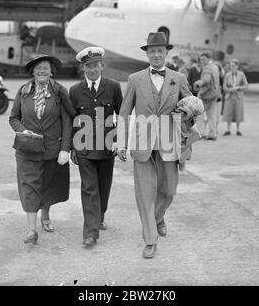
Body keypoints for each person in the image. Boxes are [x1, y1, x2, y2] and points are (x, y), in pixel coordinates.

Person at [116, 32, 202, 259]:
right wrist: (121, 143)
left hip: (170, 142)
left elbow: (191, 105)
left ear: (166, 53)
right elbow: (124, 113)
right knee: (145, 193)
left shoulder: (179, 77)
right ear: (147, 53)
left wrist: (191, 114)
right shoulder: (135, 79)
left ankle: (158, 217)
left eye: (160, 51)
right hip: (142, 143)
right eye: (152, 51)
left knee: (169, 190)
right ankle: (150, 238)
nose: (156, 54)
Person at [9, 54, 75, 244]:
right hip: (27, 148)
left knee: (47, 185)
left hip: (52, 149)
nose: (42, 71)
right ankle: (31, 230)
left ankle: (45, 217)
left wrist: (65, 149)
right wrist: (23, 130)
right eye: (38, 68)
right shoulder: (23, 91)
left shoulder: (60, 92)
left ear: (51, 71)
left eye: (46, 68)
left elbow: (67, 122)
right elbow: (13, 117)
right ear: (33, 71)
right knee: (29, 186)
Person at [69, 47, 123, 248]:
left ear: (102, 65)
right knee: (89, 188)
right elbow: (71, 119)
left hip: (107, 148)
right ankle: (90, 232)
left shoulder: (113, 87)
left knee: (103, 186)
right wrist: (71, 147)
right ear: (82, 68)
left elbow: (122, 116)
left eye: (95, 65)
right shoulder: (74, 91)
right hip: (83, 149)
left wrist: (120, 142)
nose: (92, 69)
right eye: (87, 66)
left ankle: (100, 215)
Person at [193, 52, 221, 141]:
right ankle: (213, 134)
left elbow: (206, 80)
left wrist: (198, 83)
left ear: (208, 59)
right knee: (212, 115)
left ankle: (202, 133)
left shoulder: (207, 67)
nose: (201, 61)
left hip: (206, 94)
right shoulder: (215, 67)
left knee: (198, 113)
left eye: (203, 59)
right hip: (215, 94)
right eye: (201, 59)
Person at [222, 59, 248, 136]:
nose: (231, 67)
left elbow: (246, 85)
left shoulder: (241, 74)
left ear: (237, 66)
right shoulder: (227, 75)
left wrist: (239, 88)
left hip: (238, 96)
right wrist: (230, 90)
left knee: (238, 112)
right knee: (228, 112)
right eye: (230, 66)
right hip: (229, 96)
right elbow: (224, 87)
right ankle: (228, 129)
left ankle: (238, 129)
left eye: (233, 65)